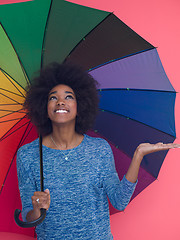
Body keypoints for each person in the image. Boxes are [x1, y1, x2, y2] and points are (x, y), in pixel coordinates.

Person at [16, 63, 180, 240]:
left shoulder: (99, 149)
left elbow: (119, 201)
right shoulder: (28, 155)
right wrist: (36, 210)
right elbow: (27, 217)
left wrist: (138, 155)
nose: (60, 101)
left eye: (68, 97)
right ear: (43, 107)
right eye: (52, 98)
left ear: (81, 106)